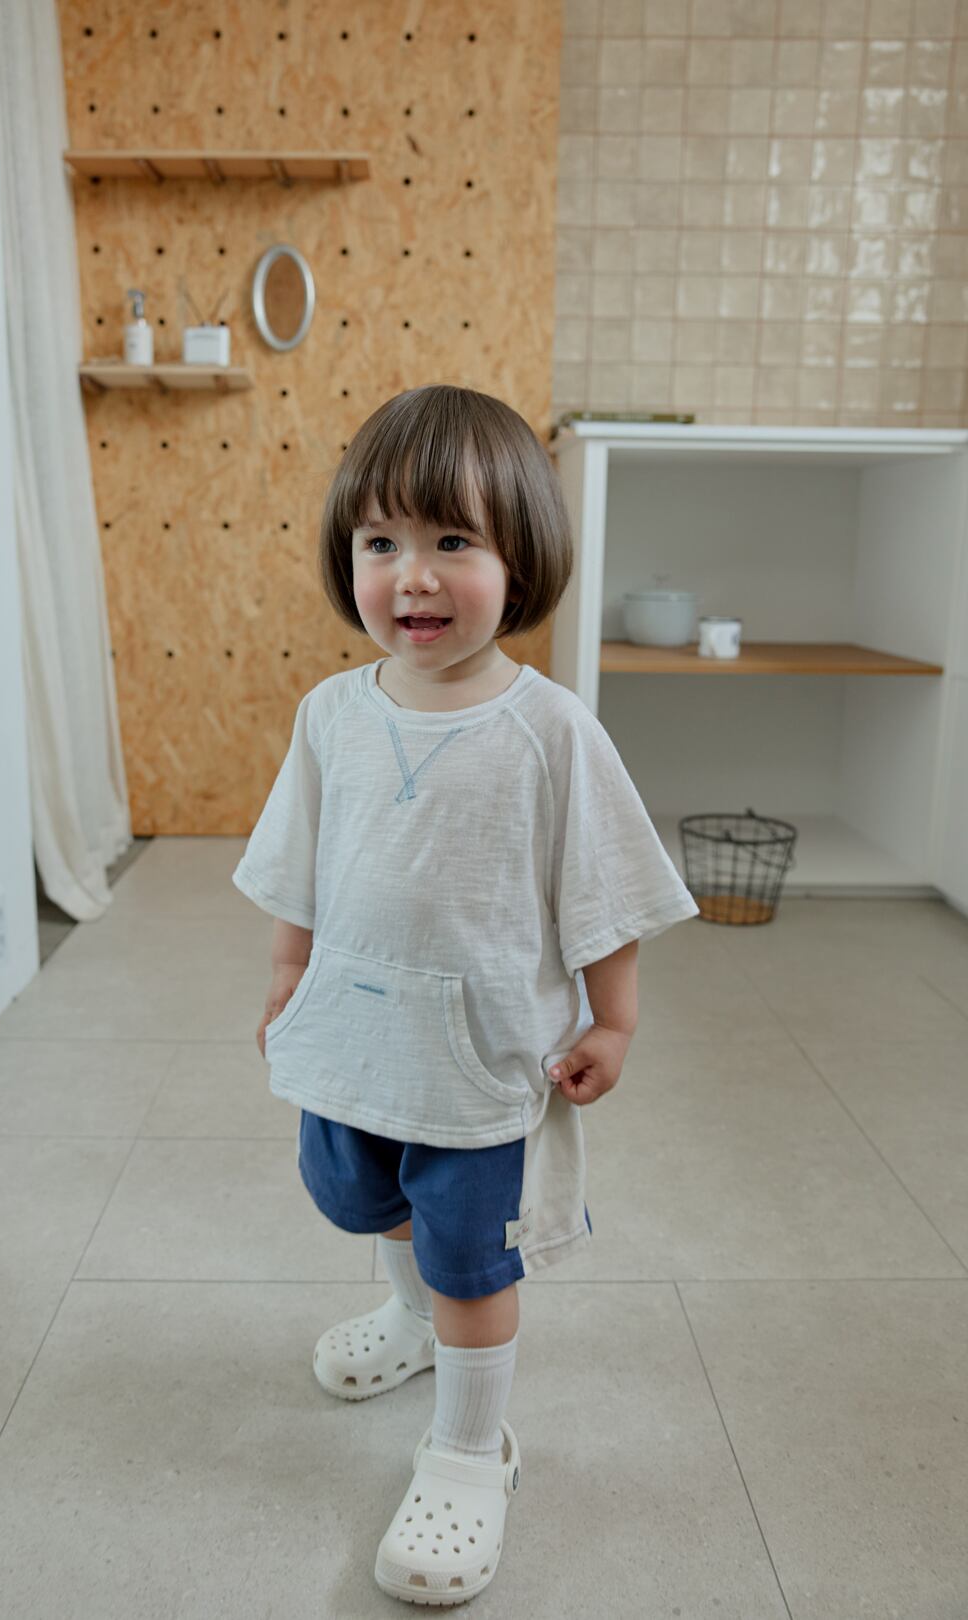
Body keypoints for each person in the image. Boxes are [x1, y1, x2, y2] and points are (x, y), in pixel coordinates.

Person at [232, 384, 700, 1606]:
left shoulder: (550, 730)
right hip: (353, 1043)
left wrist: (613, 1020)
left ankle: (469, 1450)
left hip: (482, 1064)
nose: (415, 577)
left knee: (470, 1265)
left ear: (519, 559)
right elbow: (299, 866)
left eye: (452, 541)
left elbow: (604, 890)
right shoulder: (332, 715)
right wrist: (287, 975)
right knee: (362, 1196)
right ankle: (407, 1319)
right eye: (381, 542)